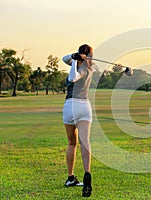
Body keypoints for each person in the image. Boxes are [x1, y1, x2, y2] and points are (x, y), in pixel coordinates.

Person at [62, 44, 93, 197]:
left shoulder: (82, 68)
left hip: (71, 106)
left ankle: (70, 177)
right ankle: (87, 172)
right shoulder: (89, 66)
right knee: (85, 141)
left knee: (72, 143)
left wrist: (74, 60)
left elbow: (72, 78)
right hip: (84, 107)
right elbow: (64, 58)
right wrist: (74, 56)